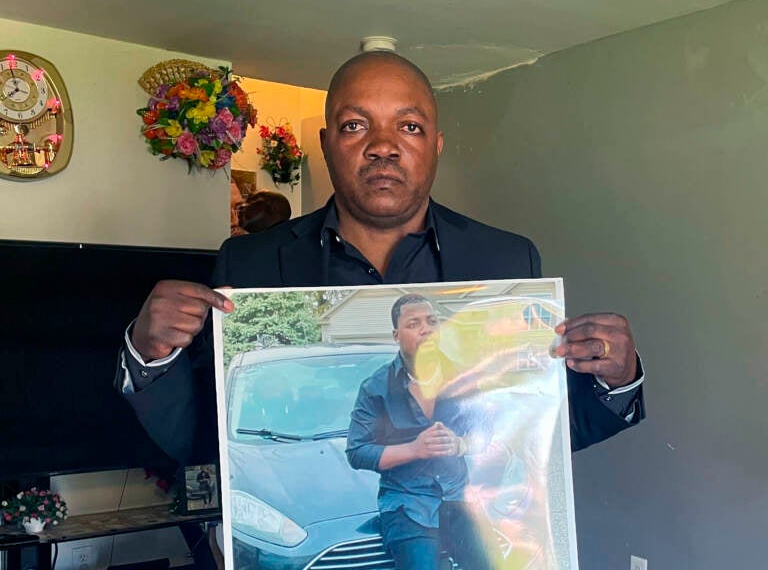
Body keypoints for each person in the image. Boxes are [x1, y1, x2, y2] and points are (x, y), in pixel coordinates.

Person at [117, 50, 644, 469]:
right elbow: (209, 440)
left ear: (435, 145)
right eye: (355, 125)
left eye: (409, 127)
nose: (383, 146)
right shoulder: (249, 264)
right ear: (326, 144)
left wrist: (615, 380)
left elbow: (534, 433)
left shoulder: (507, 259)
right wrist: (150, 355)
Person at [347, 294, 497, 569]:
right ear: (396, 335)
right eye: (414, 323)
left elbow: (486, 431)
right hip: (408, 506)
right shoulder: (376, 387)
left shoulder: (463, 378)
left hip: (458, 499)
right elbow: (357, 452)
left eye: (431, 321)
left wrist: (460, 444)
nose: (426, 329)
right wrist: (414, 450)